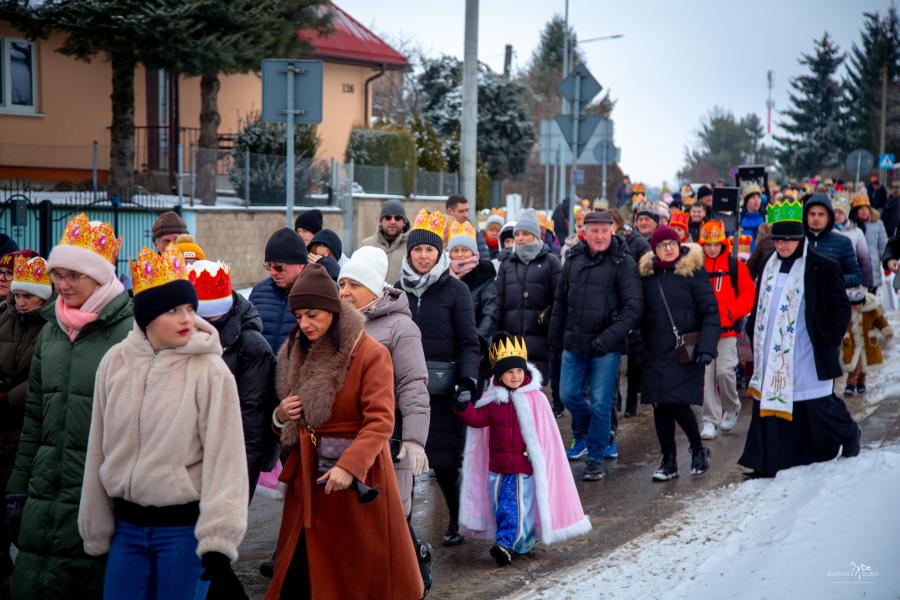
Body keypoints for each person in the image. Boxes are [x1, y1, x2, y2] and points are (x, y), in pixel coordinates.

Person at [79, 246, 248, 600]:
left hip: (183, 532)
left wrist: (219, 538)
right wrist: (95, 527)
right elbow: (97, 448)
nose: (186, 318)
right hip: (126, 530)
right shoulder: (115, 363)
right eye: (172, 310)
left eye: (190, 308)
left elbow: (226, 459)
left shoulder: (210, 371)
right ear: (147, 316)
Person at [267, 263, 423, 599]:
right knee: (300, 575)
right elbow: (287, 420)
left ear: (333, 311)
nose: (304, 324)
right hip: (309, 480)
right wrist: (280, 417)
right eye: (298, 316)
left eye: (312, 315)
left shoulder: (370, 353)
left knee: (355, 576)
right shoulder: (294, 349)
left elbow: (380, 421)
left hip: (356, 481)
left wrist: (349, 467)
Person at [5, 213, 132, 599]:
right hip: (45, 487)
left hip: (97, 491)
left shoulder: (129, 334)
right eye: (58, 275)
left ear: (100, 276)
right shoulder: (51, 332)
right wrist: (18, 487)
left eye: (74, 275)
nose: (62, 285)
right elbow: (34, 417)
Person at [739, 198, 860, 479]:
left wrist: (829, 338)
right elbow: (760, 302)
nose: (782, 246)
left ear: (800, 239)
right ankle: (767, 462)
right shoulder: (768, 264)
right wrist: (754, 329)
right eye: (778, 241)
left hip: (807, 347)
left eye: (788, 241)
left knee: (816, 404)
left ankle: (849, 433)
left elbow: (840, 308)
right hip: (773, 348)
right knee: (770, 404)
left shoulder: (822, 266)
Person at [456, 333, 591, 566]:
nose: (515, 376)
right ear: (500, 375)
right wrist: (462, 406)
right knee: (504, 507)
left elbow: (546, 437)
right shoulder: (493, 400)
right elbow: (477, 420)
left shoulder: (535, 399)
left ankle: (505, 544)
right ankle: (522, 543)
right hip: (497, 469)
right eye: (509, 372)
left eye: (519, 371)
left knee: (514, 506)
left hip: (522, 468)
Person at [399, 209, 480, 546]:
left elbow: (469, 343)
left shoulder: (456, 292)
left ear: (439, 253)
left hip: (443, 391)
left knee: (444, 463)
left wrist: (467, 381)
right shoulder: (396, 291)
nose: (423, 256)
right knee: (402, 461)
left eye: (429, 250)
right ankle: (403, 528)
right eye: (417, 249)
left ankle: (457, 517)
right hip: (404, 390)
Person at [549, 211, 643, 481]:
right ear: (584, 233)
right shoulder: (573, 259)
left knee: (601, 403)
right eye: (594, 231)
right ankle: (599, 432)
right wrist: (554, 339)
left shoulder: (623, 262)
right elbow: (560, 302)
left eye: (604, 230)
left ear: (612, 231)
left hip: (605, 346)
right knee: (568, 395)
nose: (600, 236)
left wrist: (609, 338)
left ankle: (595, 459)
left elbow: (633, 308)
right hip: (574, 342)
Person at [189, 259, 277, 498]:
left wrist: (240, 486)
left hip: (229, 459)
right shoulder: (178, 337)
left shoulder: (252, 347)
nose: (203, 328)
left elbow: (253, 422)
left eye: (210, 320)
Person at [639, 227, 719, 481]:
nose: (668, 248)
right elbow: (640, 311)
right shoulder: (648, 274)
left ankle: (697, 448)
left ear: (679, 244)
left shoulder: (693, 271)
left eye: (672, 243)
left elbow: (710, 312)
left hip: (684, 350)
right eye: (662, 245)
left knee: (676, 402)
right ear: (654, 249)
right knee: (660, 404)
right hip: (655, 350)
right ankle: (669, 461)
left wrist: (707, 347)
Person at [0, 255, 51, 585]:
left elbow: (46, 372)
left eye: (28, 296)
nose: (21, 301)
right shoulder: (3, 318)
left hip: (27, 425)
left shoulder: (51, 326)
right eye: (18, 295)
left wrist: (10, 397)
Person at [496, 210, 563, 413]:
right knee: (511, 395)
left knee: (533, 394)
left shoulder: (551, 262)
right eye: (517, 234)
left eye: (525, 233)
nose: (520, 238)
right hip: (511, 340)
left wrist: (551, 325)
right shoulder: (507, 264)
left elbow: (559, 299)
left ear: (535, 235)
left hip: (539, 339)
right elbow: (499, 301)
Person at [697, 221, 756, 440]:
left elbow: (748, 294)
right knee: (705, 377)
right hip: (703, 331)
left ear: (723, 244)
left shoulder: (734, 265)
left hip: (727, 330)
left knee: (725, 372)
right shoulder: (696, 266)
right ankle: (709, 420)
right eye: (708, 244)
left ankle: (731, 406)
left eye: (716, 244)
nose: (712, 249)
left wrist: (732, 312)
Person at [447, 221, 499, 373]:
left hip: (476, 347)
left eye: (465, 250)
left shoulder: (484, 277)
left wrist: (478, 339)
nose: (460, 254)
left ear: (473, 253)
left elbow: (490, 311)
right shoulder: (442, 275)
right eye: (455, 250)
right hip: (447, 346)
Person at [249, 228, 308, 353]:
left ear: (301, 264)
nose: (273, 272)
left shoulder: (319, 292)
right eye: (269, 266)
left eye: (278, 267)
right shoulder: (258, 293)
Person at [803, 193, 862, 288]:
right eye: (812, 214)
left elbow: (856, 276)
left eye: (821, 214)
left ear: (829, 218)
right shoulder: (798, 240)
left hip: (830, 295)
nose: (816, 218)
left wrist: (834, 280)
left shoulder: (842, 242)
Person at [842, 289, 892, 396]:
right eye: (854, 305)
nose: (856, 307)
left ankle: (861, 383)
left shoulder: (871, 311)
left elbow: (880, 321)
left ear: (863, 303)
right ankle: (850, 385)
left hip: (867, 343)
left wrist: (886, 331)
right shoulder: (847, 313)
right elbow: (841, 325)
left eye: (858, 305)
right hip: (852, 344)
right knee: (854, 366)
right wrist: (843, 336)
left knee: (864, 366)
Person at [361, 198, 410, 284]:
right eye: (388, 218)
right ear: (380, 221)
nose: (392, 222)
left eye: (397, 218)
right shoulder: (366, 245)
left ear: (404, 222)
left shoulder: (412, 246)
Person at [850, 193, 889, 292]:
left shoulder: (878, 224)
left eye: (867, 208)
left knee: (871, 298)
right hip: (854, 269)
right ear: (855, 211)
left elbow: (883, 246)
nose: (865, 211)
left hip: (873, 269)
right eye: (861, 209)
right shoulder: (850, 226)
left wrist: (887, 262)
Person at [832, 195, 873, 289]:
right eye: (834, 212)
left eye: (840, 213)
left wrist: (866, 283)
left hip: (851, 281)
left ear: (846, 215)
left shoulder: (856, 232)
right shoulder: (826, 231)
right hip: (830, 281)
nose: (836, 216)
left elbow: (865, 259)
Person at [445, 195, 490, 260]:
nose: (466, 215)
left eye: (467, 210)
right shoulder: (440, 233)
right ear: (450, 211)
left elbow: (485, 260)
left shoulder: (475, 233)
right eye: (461, 211)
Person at [740, 184, 765, 252]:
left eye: (759, 197)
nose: (756, 200)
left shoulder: (765, 218)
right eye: (753, 198)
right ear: (746, 201)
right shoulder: (739, 220)